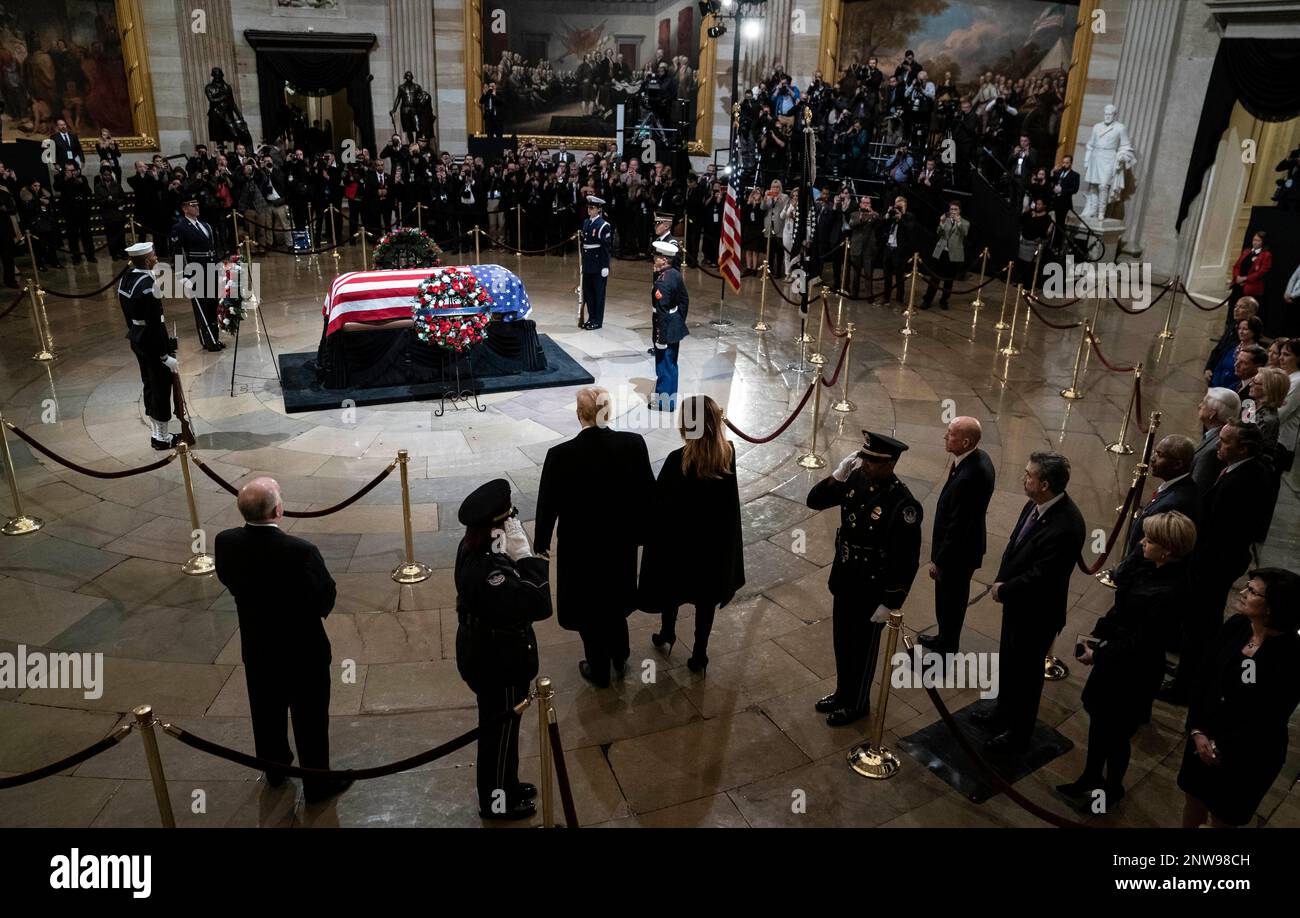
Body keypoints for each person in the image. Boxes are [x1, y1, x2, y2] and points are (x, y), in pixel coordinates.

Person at [214, 477, 351, 805]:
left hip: (258, 647)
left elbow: (228, 579)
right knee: (311, 718)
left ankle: (274, 769)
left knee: (265, 711)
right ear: (279, 510)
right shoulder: (301, 551)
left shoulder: (225, 541)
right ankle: (317, 782)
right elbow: (324, 600)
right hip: (304, 651)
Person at [1059, 511, 1196, 810]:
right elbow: (1121, 593)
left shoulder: (1171, 591)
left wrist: (1100, 654)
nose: (1142, 542)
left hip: (1134, 671)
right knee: (1098, 723)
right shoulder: (1148, 566)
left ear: (1169, 550)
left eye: (1150, 539)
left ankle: (1111, 788)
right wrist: (1099, 633)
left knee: (1117, 735)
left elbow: (1144, 641)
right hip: (1116, 660)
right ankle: (1090, 776)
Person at [534, 387, 654, 688]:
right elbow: (648, 494)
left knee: (588, 606)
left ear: (579, 415)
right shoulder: (633, 444)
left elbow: (547, 504)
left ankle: (598, 667)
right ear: (608, 412)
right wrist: (645, 533)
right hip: (619, 542)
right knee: (615, 596)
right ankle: (620, 653)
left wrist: (542, 544)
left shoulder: (560, 456)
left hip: (580, 548)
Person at [806, 431, 923, 726]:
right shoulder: (855, 478)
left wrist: (892, 600)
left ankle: (858, 704)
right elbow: (814, 501)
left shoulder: (902, 504)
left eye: (873, 461)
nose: (865, 464)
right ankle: (843, 692)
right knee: (842, 642)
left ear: (891, 464)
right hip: (845, 578)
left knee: (863, 651)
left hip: (873, 588)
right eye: (864, 458)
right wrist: (836, 477)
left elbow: (906, 560)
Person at [454, 478, 552, 821]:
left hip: (484, 653)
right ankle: (496, 803)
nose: (513, 524)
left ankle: (506, 784)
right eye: (508, 519)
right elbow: (540, 604)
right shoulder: (492, 572)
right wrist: (525, 557)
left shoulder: (472, 548)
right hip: (500, 662)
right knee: (499, 733)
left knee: (503, 732)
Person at [977, 451, 1086, 753]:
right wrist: (1002, 581)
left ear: (1045, 484)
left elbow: (1042, 577)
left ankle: (1018, 736)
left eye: (1029, 475)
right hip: (1017, 606)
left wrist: (1005, 589)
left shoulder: (1066, 525)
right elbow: (1015, 545)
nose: (1023, 478)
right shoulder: (1034, 504)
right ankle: (1002, 714)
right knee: (1010, 665)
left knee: (1026, 678)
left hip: (1037, 614)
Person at [1178, 568, 1300, 827]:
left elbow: (1269, 717)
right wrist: (1198, 730)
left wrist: (1218, 745)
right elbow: (1204, 676)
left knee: (1223, 816)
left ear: (1273, 607)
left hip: (1248, 755)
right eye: (1247, 586)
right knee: (1194, 800)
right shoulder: (1237, 625)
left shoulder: (1292, 657)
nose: (1242, 593)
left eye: (1253, 591)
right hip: (1203, 736)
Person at [1163, 422, 1273, 705]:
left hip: (1214, 564)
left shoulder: (1242, 481)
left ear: (1243, 448)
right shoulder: (1246, 470)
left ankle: (1185, 686)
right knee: (1199, 621)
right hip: (1221, 561)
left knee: (1200, 623)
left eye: (1225, 442)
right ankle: (1186, 669)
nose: (1219, 446)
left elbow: (1221, 530)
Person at [639, 395, 746, 672]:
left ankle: (667, 632)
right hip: (712, 549)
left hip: (680, 548)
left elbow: (659, 506)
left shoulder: (678, 461)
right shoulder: (728, 456)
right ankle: (700, 653)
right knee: (706, 601)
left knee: (671, 591)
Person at [920, 417, 995, 654]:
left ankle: (946, 647)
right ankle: (945, 638)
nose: (945, 436)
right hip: (964, 548)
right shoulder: (976, 459)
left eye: (951, 433)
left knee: (949, 602)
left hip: (958, 554)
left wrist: (939, 561)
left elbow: (958, 526)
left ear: (965, 441)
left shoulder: (970, 475)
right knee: (950, 601)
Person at [1110, 435, 1200, 585]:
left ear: (1178, 464)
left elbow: (1151, 544)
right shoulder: (1178, 488)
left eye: (1159, 455)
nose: (1152, 459)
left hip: (1145, 578)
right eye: (1154, 452)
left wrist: (1121, 572)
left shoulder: (1176, 501)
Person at [117, 242, 180, 450]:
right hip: (152, 343)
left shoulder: (127, 279)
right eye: (153, 254)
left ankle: (156, 433)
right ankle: (162, 438)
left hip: (137, 338)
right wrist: (164, 355)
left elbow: (129, 316)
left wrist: (137, 335)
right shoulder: (148, 286)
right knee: (161, 388)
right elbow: (155, 325)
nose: (156, 257)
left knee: (149, 385)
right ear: (147, 260)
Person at [169, 195, 224, 351]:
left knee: (213, 305)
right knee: (202, 307)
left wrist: (218, 265)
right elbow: (177, 253)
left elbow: (213, 248)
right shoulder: (179, 228)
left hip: (211, 268)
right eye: (192, 205)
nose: (196, 207)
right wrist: (182, 276)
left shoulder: (205, 225)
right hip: (196, 272)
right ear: (184, 208)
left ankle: (215, 338)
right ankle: (207, 341)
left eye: (197, 204)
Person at [650, 240, 689, 411]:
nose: (655, 259)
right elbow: (684, 300)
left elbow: (662, 313)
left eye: (657, 256)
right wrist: (679, 319)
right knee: (672, 365)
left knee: (664, 366)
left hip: (666, 329)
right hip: (675, 325)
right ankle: (670, 400)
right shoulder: (675, 274)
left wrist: (661, 337)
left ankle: (663, 403)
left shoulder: (662, 282)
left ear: (664, 260)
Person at [1191, 387, 1241, 494]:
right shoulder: (1213, 435)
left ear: (1212, 414)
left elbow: (1197, 488)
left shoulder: (1214, 450)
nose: (1200, 406)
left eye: (1204, 404)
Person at [920, 201, 969, 309]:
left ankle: (944, 300)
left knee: (948, 279)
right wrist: (941, 223)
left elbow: (964, 233)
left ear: (959, 211)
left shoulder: (965, 223)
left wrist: (958, 222)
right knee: (934, 278)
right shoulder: (945, 220)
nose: (953, 211)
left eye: (955, 209)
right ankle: (927, 300)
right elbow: (938, 232)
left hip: (953, 254)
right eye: (951, 209)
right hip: (941, 252)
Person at [580, 195, 613, 329]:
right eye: (588, 207)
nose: (589, 210)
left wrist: (605, 266)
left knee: (598, 295)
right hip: (588, 264)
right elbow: (585, 245)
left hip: (598, 265)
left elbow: (606, 248)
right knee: (588, 294)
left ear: (599, 209)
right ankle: (591, 318)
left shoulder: (604, 225)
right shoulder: (587, 223)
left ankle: (597, 321)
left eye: (592, 208)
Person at [881, 195, 918, 305]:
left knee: (899, 276)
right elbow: (882, 225)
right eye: (896, 202)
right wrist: (888, 214)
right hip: (888, 248)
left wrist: (901, 217)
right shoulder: (891, 214)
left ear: (905, 204)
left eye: (900, 202)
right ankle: (886, 298)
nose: (898, 204)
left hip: (899, 250)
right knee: (887, 275)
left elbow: (909, 228)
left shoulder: (909, 216)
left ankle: (899, 299)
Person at [1228, 231, 1271, 323]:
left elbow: (1262, 272)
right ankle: (1228, 332)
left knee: (1244, 311)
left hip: (1250, 288)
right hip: (1238, 286)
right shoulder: (1247, 251)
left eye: (1258, 240)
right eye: (1254, 240)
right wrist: (1237, 277)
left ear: (1263, 242)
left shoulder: (1266, 255)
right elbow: (1236, 266)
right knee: (1233, 308)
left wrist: (1246, 279)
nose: (1255, 242)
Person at [1210, 316, 1263, 389]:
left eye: (1245, 329)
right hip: (1216, 388)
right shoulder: (1232, 346)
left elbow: (1248, 377)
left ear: (1254, 331)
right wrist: (1215, 385)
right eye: (1239, 328)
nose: (1241, 332)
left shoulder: (1257, 352)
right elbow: (1219, 367)